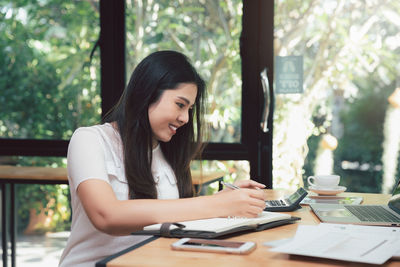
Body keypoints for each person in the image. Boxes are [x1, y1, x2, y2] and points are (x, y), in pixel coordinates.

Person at [59, 50, 266, 267]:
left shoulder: (169, 154)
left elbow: (175, 219)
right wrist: (216, 204)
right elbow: (106, 216)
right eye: (180, 104)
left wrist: (225, 202)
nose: (185, 118)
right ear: (148, 92)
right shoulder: (89, 140)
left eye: (189, 109)